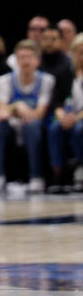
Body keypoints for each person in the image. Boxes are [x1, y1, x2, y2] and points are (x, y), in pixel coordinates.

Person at [0, 40, 54, 194]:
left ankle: (36, 177)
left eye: (29, 57)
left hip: (36, 129)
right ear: (16, 60)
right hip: (11, 128)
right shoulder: (5, 80)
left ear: (37, 60)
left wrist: (14, 108)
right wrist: (18, 106)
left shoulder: (46, 80)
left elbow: (39, 113)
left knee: (32, 123)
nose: (25, 61)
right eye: (21, 57)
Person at [48, 34, 83, 192]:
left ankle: (79, 172)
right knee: (55, 128)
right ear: (73, 53)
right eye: (79, 52)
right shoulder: (64, 73)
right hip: (68, 115)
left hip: (79, 118)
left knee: (79, 130)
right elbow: (56, 100)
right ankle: (58, 176)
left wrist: (76, 118)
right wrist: (61, 115)